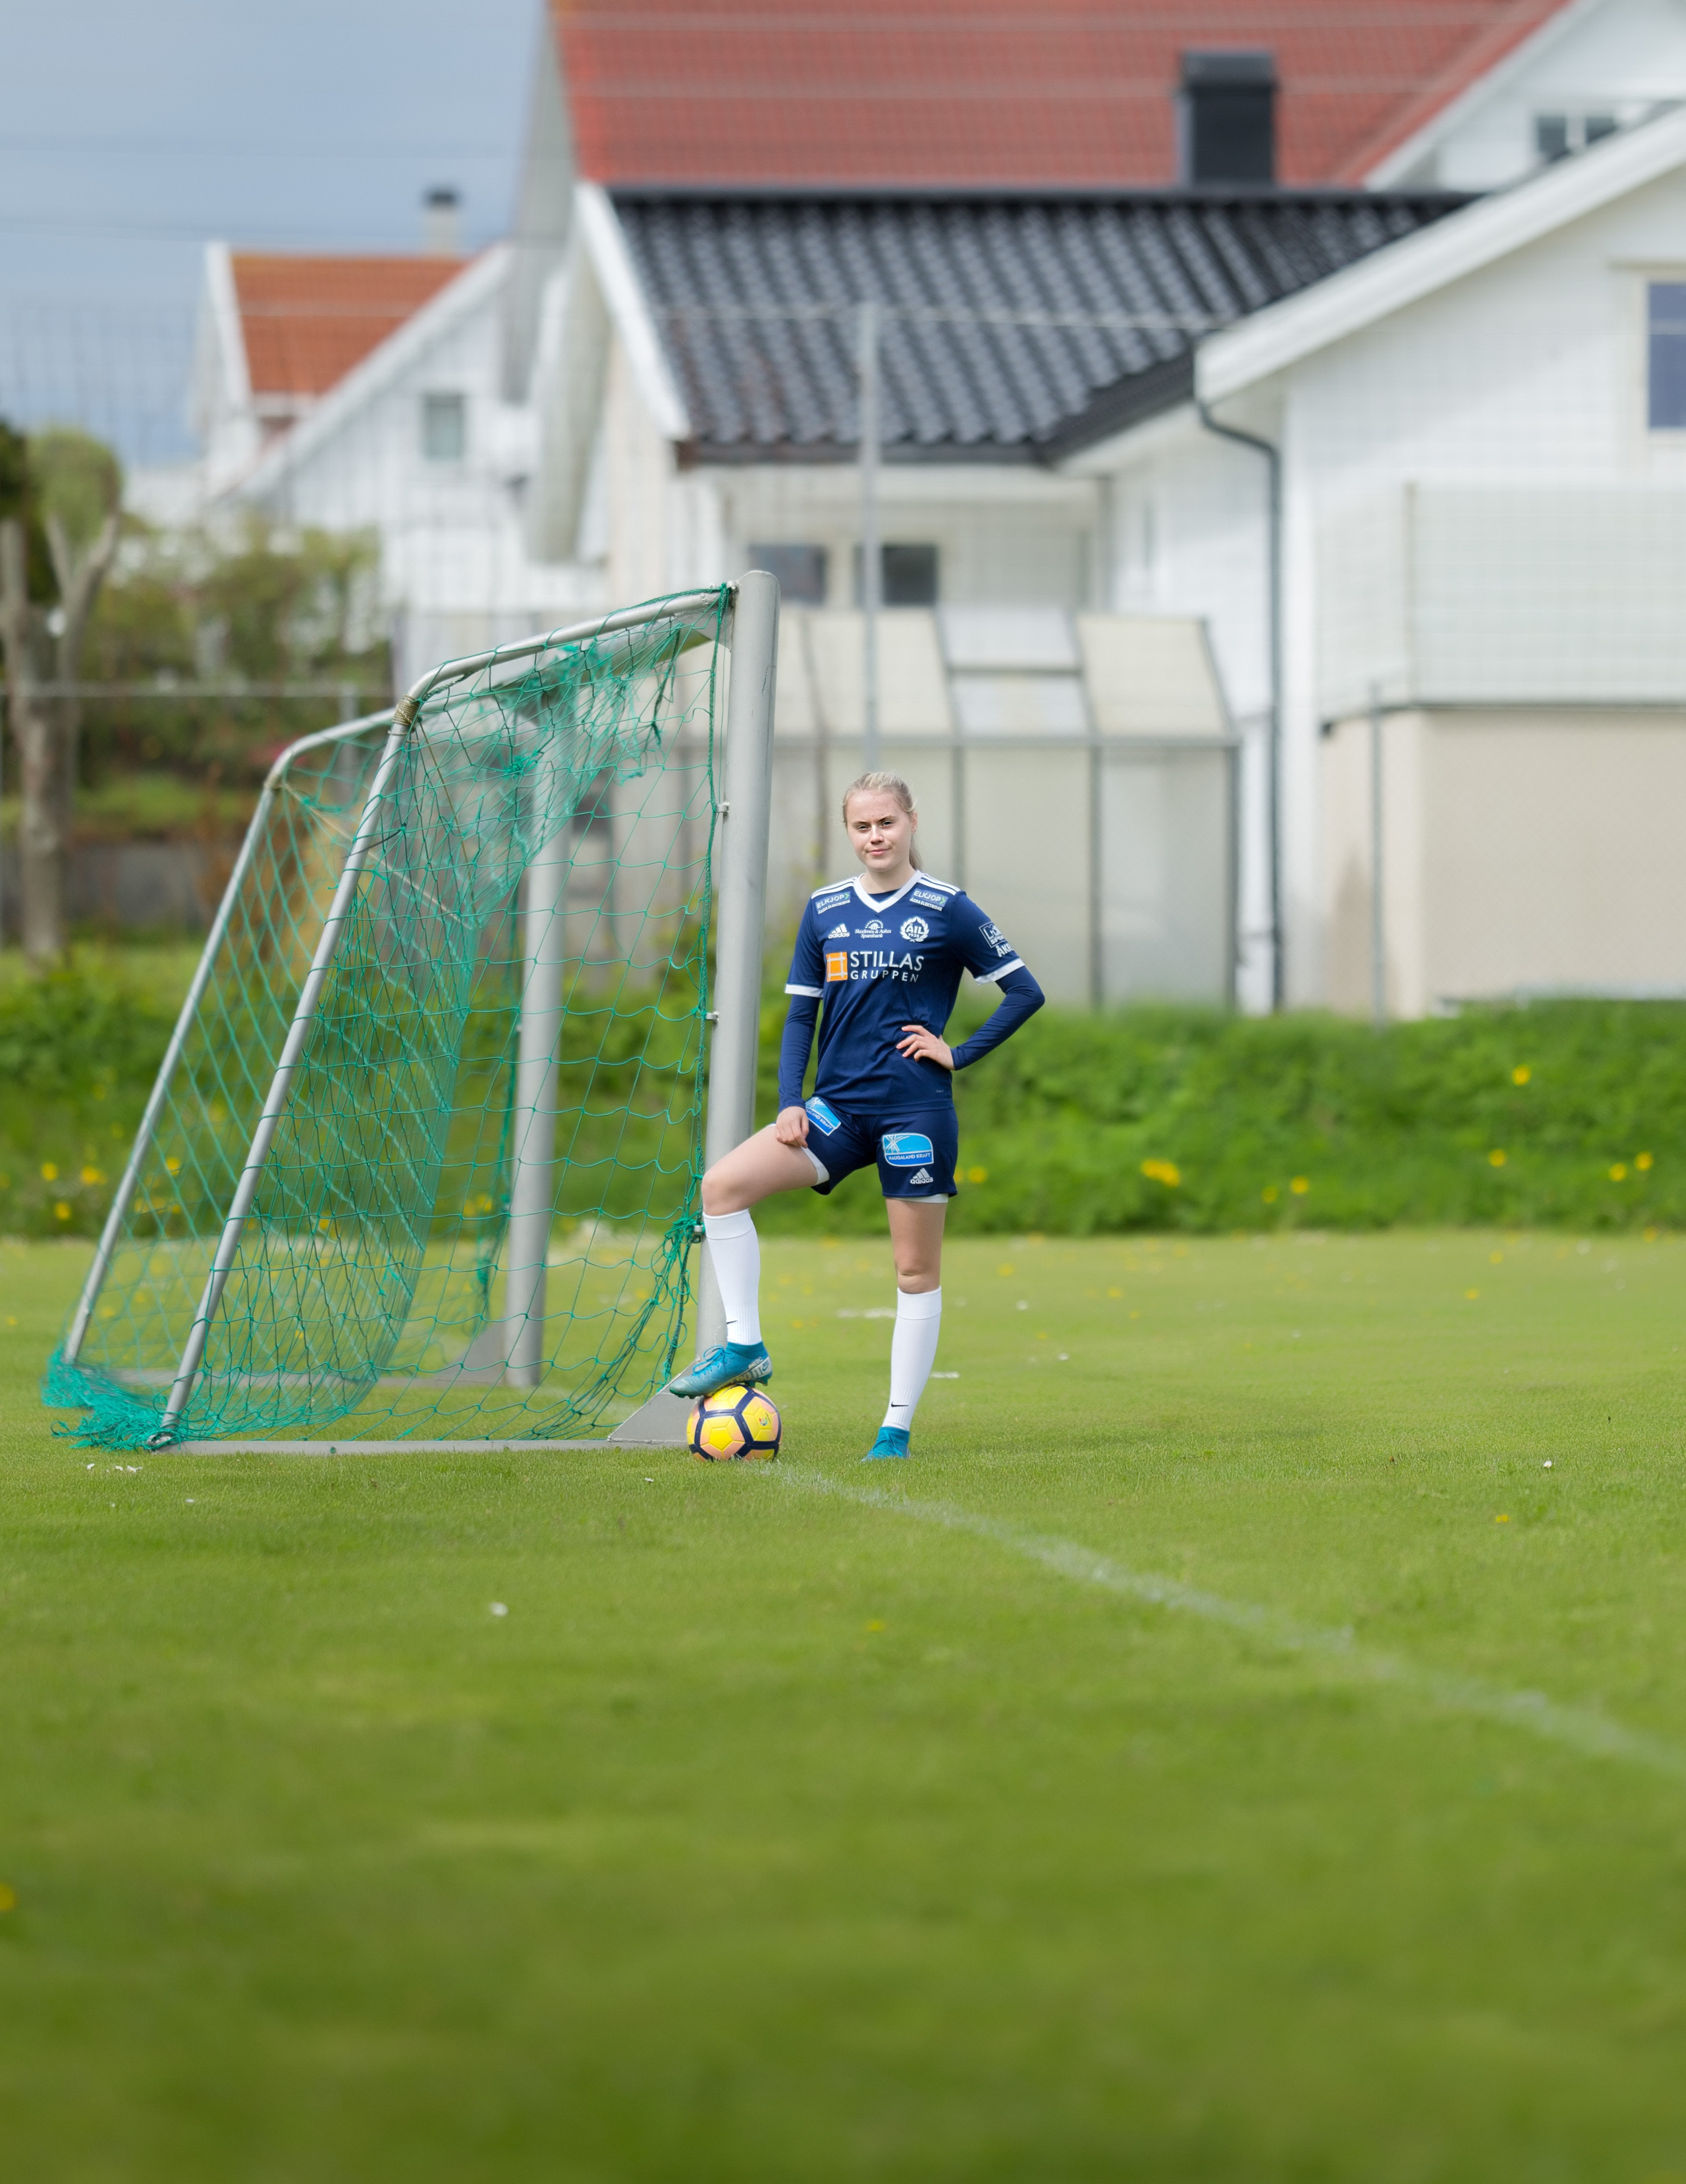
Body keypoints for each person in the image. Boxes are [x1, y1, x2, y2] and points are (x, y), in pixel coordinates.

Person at [669, 771, 1045, 1460]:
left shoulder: (948, 907)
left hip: (915, 1113)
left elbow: (1024, 992)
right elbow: (801, 1017)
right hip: (835, 1110)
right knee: (721, 1188)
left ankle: (894, 1431)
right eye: (862, 826)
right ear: (849, 831)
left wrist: (958, 1053)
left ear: (911, 823)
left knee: (913, 1273)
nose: (875, 836)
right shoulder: (825, 908)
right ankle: (745, 1344)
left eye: (886, 823)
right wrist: (790, 1101)